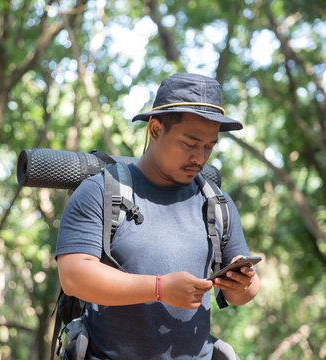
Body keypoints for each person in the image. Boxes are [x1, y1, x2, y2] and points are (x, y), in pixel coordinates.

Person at [55, 73, 260, 359]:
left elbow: (241, 296)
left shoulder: (216, 203)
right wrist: (160, 288)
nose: (200, 158)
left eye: (209, 146)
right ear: (154, 129)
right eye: (190, 144)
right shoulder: (99, 192)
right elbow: (75, 276)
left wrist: (245, 283)